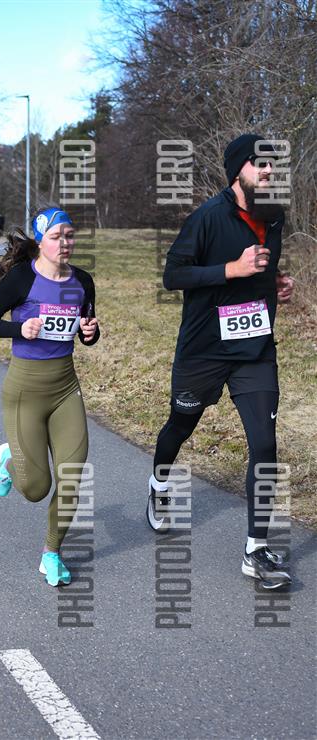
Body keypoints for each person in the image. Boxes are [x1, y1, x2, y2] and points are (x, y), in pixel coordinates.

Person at [148, 134, 295, 590]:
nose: (268, 171)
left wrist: (276, 283)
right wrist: (231, 270)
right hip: (204, 350)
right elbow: (173, 275)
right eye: (259, 164)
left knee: (264, 446)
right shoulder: (208, 217)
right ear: (237, 171)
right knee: (180, 425)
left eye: (272, 164)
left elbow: (263, 268)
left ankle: (256, 549)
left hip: (254, 350)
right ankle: (159, 484)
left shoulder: (274, 216)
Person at [0, 207, 100, 587]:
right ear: (41, 241)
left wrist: (90, 332)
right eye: (57, 237)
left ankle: (51, 554)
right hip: (24, 391)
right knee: (35, 489)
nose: (65, 243)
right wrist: (20, 328)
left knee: (72, 476)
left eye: (69, 235)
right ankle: (7, 461)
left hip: (65, 389)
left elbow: (86, 330)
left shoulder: (83, 281)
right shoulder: (21, 279)